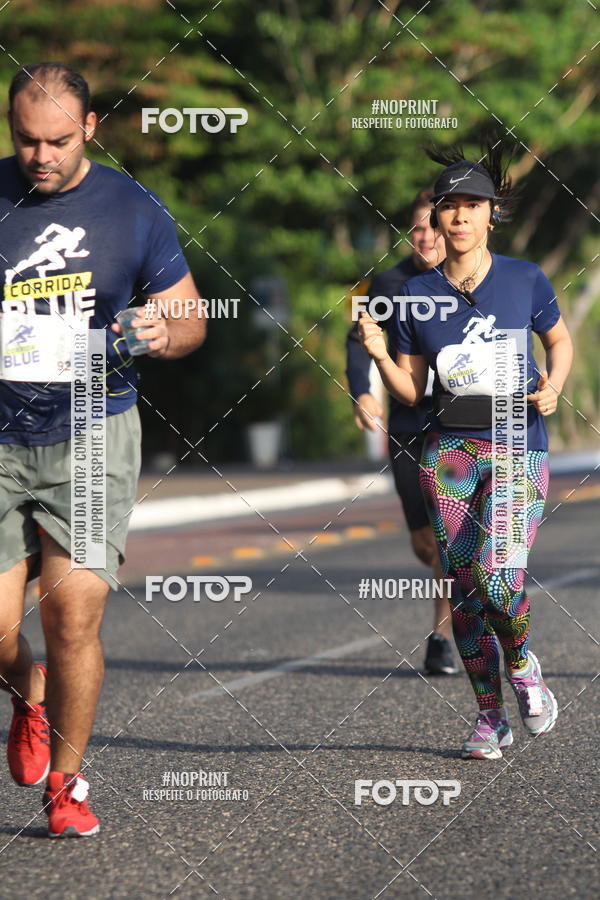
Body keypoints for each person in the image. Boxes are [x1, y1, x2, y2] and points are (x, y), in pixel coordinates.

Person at [0, 62, 205, 835]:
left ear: (90, 128)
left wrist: (166, 331)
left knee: (72, 620)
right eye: (26, 141)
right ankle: (28, 693)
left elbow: (189, 318)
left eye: (57, 140)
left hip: (92, 428)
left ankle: (66, 783)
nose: (41, 156)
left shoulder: (132, 206)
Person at [359, 141, 573, 759]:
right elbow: (412, 386)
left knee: (498, 578)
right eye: (448, 207)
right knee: (464, 586)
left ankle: (525, 666)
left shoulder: (525, 278)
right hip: (448, 450)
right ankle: (489, 718)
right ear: (436, 218)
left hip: (515, 441)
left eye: (471, 206)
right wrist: (377, 356)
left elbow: (559, 344)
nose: (458, 218)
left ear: (490, 214)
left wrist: (554, 387)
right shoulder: (415, 293)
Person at [346, 189, 457, 675]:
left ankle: (443, 637)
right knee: (425, 544)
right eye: (418, 228)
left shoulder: (470, 281)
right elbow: (357, 337)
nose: (427, 236)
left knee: (450, 534)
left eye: (435, 226)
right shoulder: (388, 284)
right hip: (409, 423)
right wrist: (362, 391)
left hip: (458, 422)